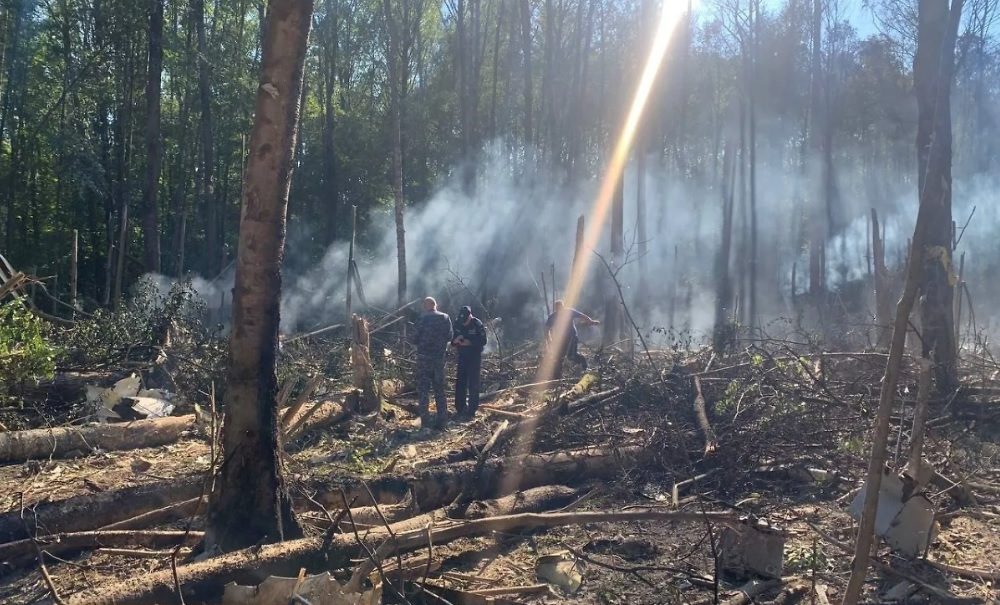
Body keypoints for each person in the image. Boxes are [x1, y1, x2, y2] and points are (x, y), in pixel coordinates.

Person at [413, 297, 453, 428]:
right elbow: (450, 336)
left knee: (424, 390)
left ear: (426, 306)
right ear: (435, 305)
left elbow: (414, 338)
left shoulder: (422, 319)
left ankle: (425, 422)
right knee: (439, 389)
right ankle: (442, 421)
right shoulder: (445, 318)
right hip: (439, 359)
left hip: (424, 359)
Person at [545, 299, 599, 374]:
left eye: (561, 308)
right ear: (556, 309)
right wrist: (549, 339)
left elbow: (582, 316)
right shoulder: (552, 317)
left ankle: (584, 366)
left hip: (572, 336)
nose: (560, 310)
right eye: (558, 308)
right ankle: (557, 374)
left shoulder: (569, 312)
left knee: (571, 356)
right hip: (561, 339)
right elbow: (547, 329)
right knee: (559, 356)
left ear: (563, 307)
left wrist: (591, 321)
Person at [451, 305, 487, 419]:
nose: (464, 323)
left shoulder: (477, 324)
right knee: (460, 382)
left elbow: (483, 340)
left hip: (474, 357)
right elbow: (451, 339)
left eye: (465, 320)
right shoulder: (457, 322)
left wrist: (470, 342)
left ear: (470, 316)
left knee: (473, 383)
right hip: (462, 356)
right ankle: (460, 407)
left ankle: (472, 409)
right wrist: (455, 341)